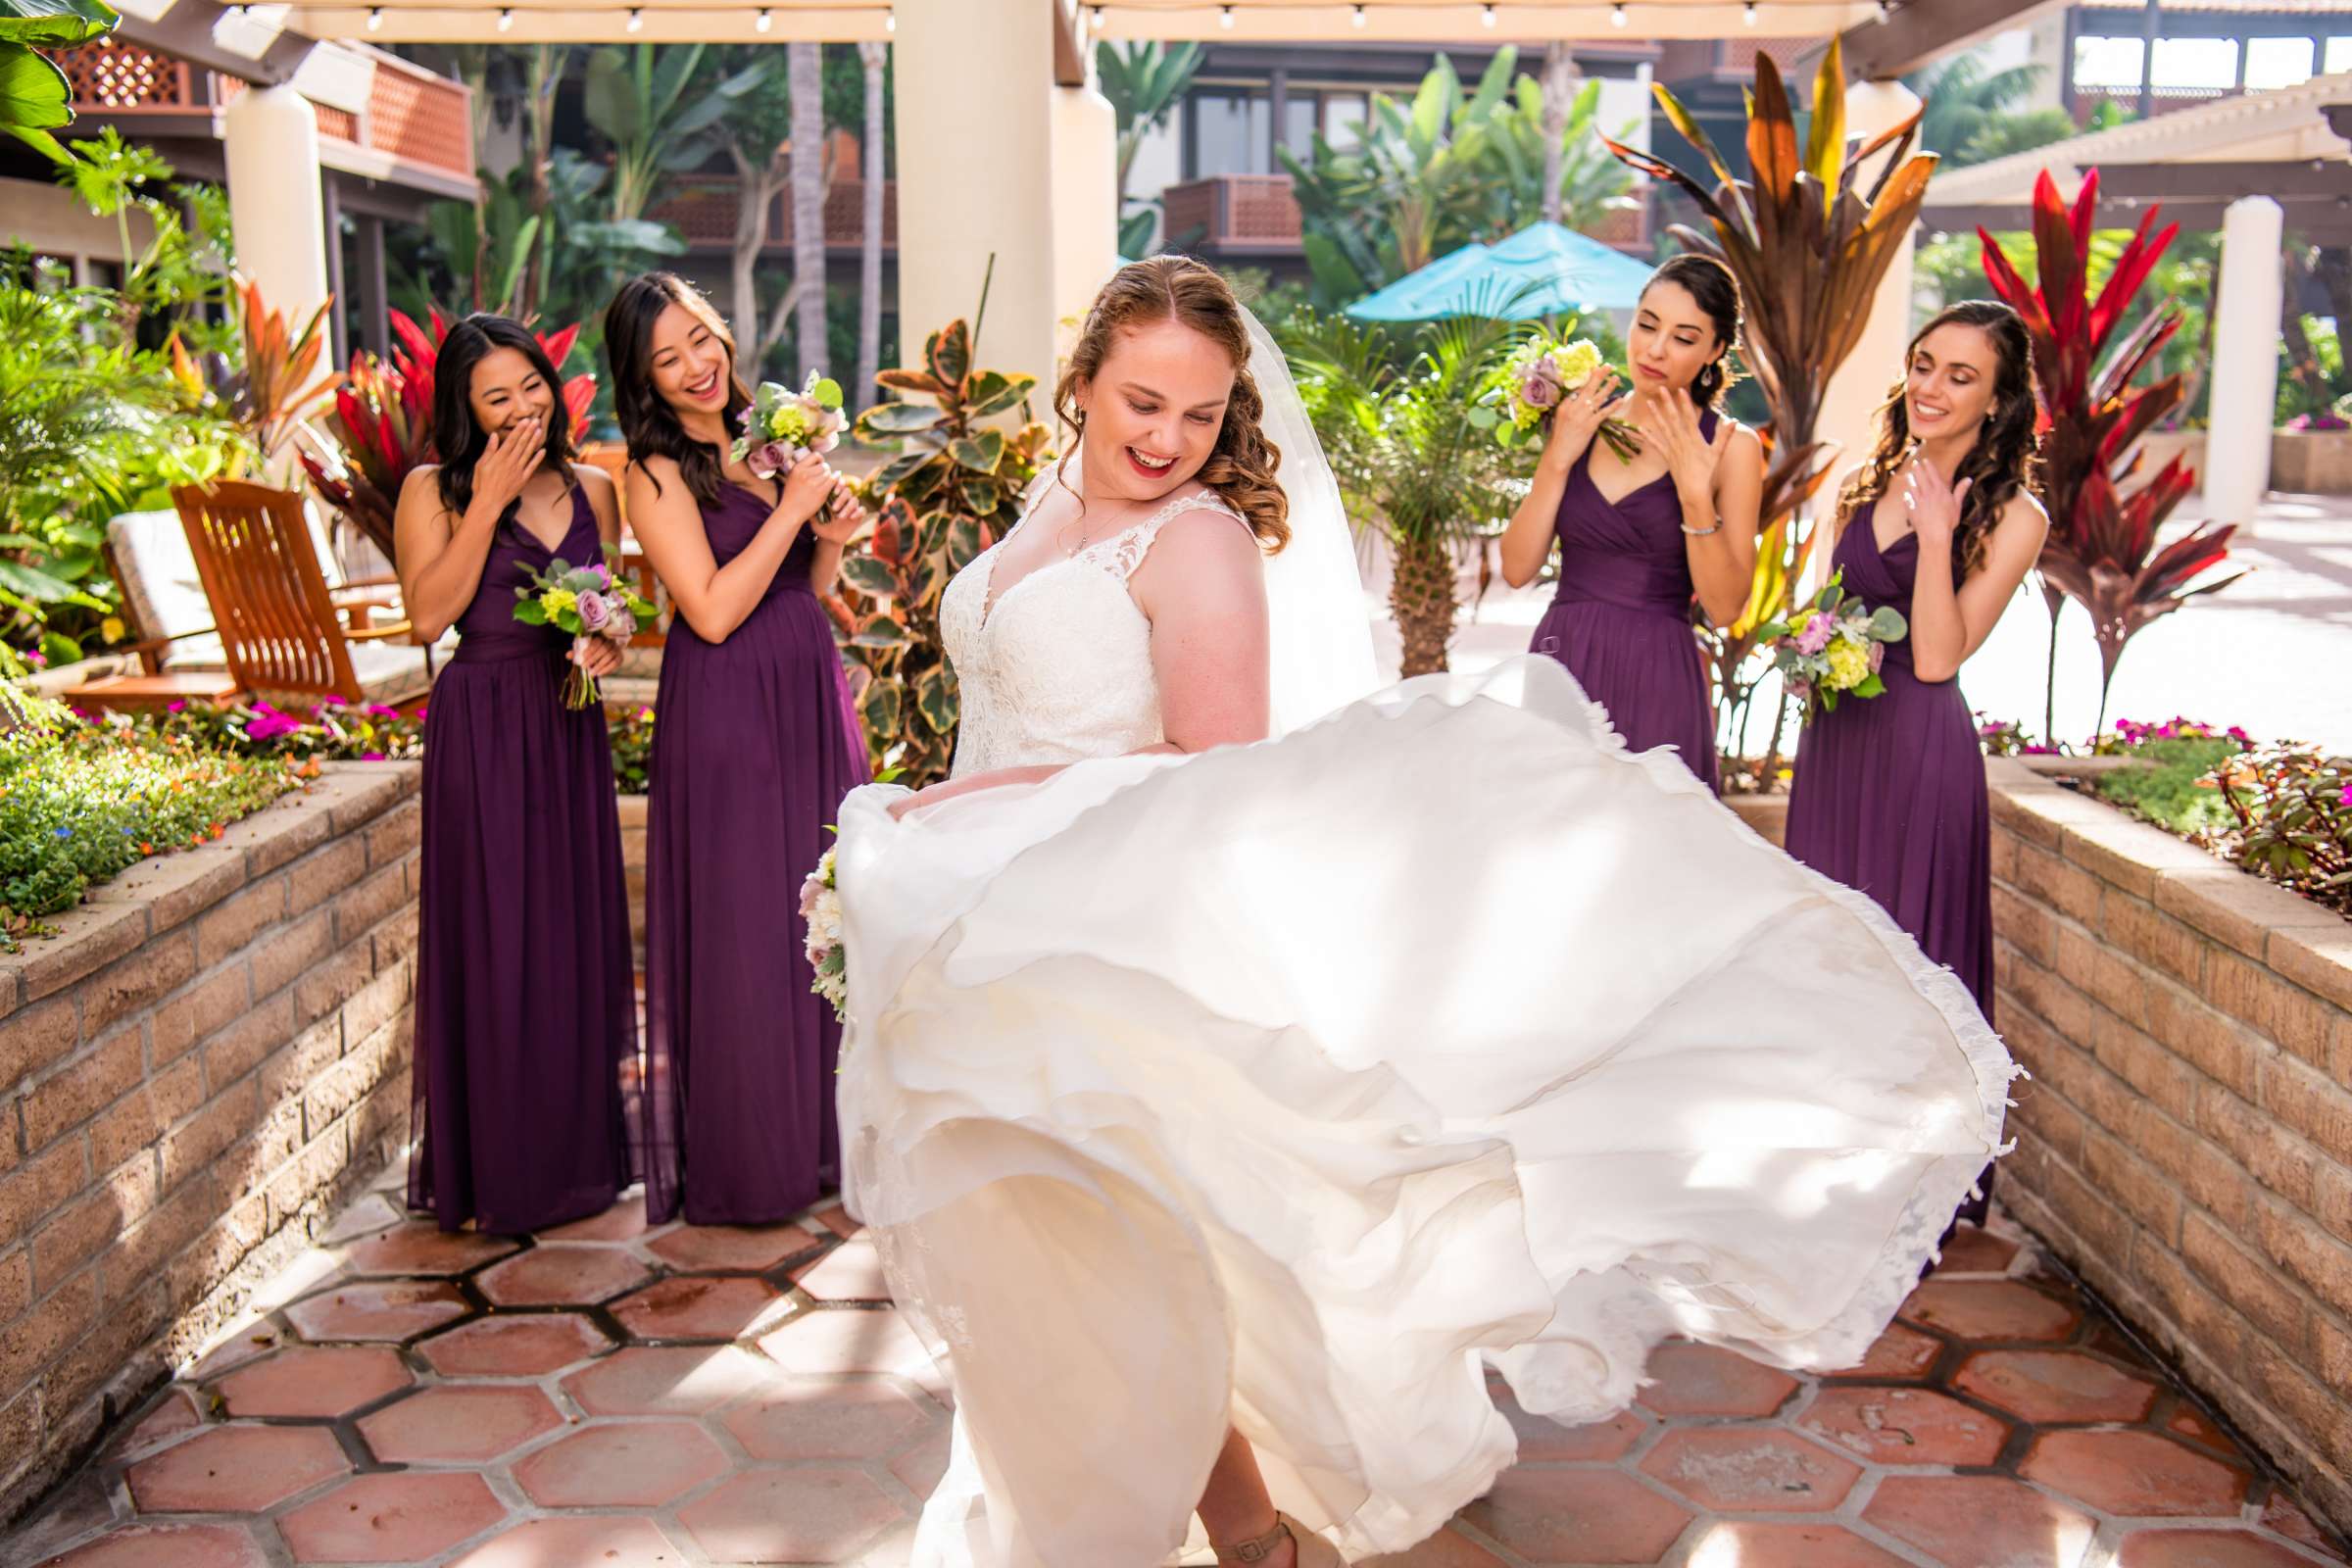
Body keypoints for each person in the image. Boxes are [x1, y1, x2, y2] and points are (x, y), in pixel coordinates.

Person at [835, 257, 2015, 1568]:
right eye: (1141, 404)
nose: (1168, 441)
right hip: (988, 925)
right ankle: (1213, 1532)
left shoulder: (1201, 540)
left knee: (1096, 1262)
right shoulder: (1050, 500)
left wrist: (990, 802)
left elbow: (1214, 769)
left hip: (1095, 939)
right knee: (1049, 1260)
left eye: (1202, 417)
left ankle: (1205, 1536)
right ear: (1081, 385)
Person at [604, 271, 870, 1225]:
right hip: (727, 704)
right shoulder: (655, 471)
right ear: (643, 378)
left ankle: (824, 1141)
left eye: (701, 340)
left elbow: (808, 581)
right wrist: (795, 510)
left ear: (723, 332)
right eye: (666, 359)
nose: (695, 367)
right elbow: (710, 609)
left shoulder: (773, 434)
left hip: (806, 682)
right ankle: (754, 1161)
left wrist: (829, 534)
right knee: (751, 927)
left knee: (832, 907)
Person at [1786, 299, 2049, 1229]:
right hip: (1838, 744)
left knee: (1910, 962)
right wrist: (1809, 651)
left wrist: (1938, 533)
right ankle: (1828, 1169)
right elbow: (1822, 612)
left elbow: (1938, 657)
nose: (1932, 388)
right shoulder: (1863, 480)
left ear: (1999, 401)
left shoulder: (2018, 514)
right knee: (1831, 955)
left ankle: (1912, 1197)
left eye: (1961, 375)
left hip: (1918, 751)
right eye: (1925, 364)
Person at [397, 314, 636, 1235]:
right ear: (464, 410)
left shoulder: (593, 486)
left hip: (566, 723)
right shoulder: (433, 489)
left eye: (532, 385)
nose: (523, 405)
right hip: (483, 725)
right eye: (497, 396)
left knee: (570, 933)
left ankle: (577, 1158)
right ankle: (497, 1167)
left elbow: (608, 607)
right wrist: (488, 500)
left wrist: (605, 637)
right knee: (496, 936)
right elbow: (428, 618)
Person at [1496, 255, 1763, 790]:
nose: (1655, 348)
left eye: (1684, 337)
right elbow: (1517, 568)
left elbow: (1727, 606)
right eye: (1647, 324)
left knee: (1654, 854)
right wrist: (1557, 457)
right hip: (1562, 660)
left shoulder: (1732, 448)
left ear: (1715, 351)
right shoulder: (1582, 420)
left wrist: (1693, 496)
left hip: (1657, 672)